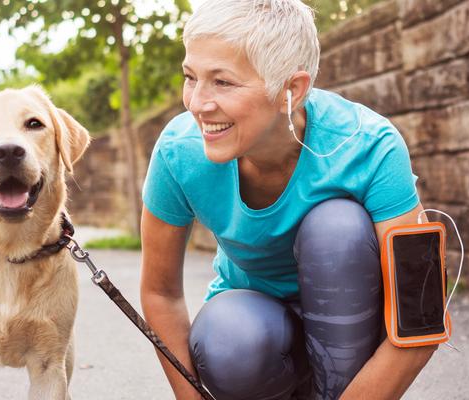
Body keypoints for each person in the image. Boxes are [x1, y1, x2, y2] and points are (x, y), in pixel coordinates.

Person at [139, 1, 435, 398]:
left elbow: (422, 317)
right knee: (227, 337)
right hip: (257, 333)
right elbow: (161, 293)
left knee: (337, 227)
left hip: (356, 327)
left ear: (290, 90)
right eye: (191, 77)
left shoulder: (370, 144)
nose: (196, 103)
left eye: (222, 82)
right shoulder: (179, 152)